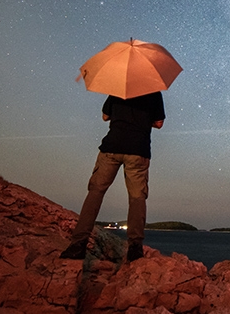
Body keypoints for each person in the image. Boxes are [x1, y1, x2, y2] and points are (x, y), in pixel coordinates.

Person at [60, 91, 165, 262]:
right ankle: (135, 249)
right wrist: (144, 121)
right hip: (138, 150)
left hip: (112, 146)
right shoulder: (154, 92)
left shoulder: (118, 88)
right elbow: (159, 123)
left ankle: (77, 245)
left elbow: (105, 116)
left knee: (95, 192)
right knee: (137, 197)